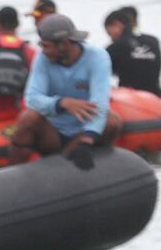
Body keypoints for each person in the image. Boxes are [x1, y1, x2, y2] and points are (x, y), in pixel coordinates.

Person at [9, 14, 119, 165]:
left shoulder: (97, 57)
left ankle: (67, 165)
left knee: (112, 121)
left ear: (64, 44)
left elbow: (99, 103)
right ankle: (14, 173)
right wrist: (62, 103)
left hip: (82, 130)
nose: (43, 50)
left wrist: (87, 139)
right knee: (27, 118)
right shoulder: (42, 58)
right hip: (52, 131)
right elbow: (32, 98)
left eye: (47, 46)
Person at [104, 7, 161, 96]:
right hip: (155, 96)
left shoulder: (116, 46)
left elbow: (100, 72)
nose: (111, 38)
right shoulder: (153, 41)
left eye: (109, 33)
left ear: (117, 24)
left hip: (130, 99)